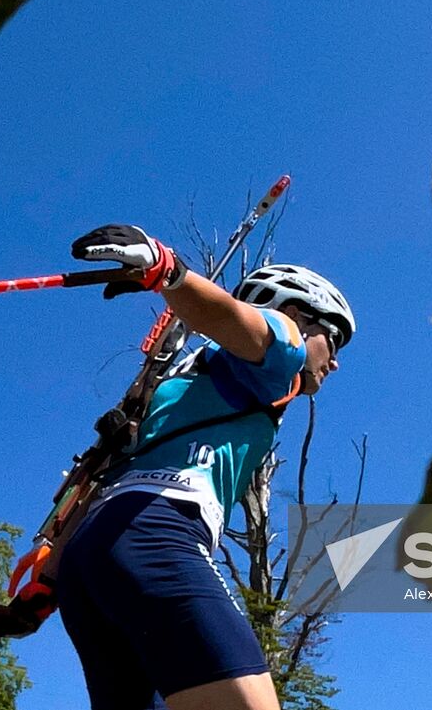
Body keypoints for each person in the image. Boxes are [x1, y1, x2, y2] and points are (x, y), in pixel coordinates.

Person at [54, 224, 355, 710]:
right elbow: (254, 327)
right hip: (156, 532)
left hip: (89, 564)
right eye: (334, 341)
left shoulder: (182, 380)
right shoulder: (278, 347)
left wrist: (42, 589)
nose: (335, 362)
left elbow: (96, 489)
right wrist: (168, 271)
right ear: (298, 316)